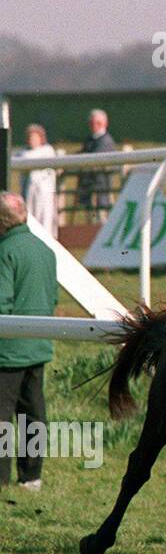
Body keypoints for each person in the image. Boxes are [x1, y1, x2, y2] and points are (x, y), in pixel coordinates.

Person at [0, 193, 58, 491]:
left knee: (2, 416)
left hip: (7, 350)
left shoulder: (4, 251)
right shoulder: (46, 250)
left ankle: (2, 477)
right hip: (39, 344)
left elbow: (1, 302)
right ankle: (31, 475)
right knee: (33, 412)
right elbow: (54, 298)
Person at [16, 124, 58, 238]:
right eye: (30, 138)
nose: (32, 140)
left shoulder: (47, 150)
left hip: (44, 192)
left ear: (41, 138)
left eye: (35, 137)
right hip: (28, 192)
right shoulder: (22, 153)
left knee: (45, 218)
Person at [77, 109, 117, 222]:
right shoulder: (90, 139)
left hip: (101, 188)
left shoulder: (106, 141)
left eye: (98, 123)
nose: (94, 126)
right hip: (89, 188)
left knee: (102, 221)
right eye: (92, 123)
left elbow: (93, 159)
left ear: (105, 123)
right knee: (91, 221)